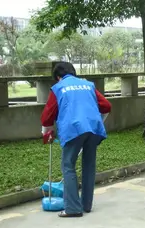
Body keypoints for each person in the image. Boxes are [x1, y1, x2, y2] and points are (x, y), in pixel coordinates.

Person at [41, 62, 111, 217]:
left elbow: (47, 115)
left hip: (73, 129)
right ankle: (86, 205)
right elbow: (106, 106)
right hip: (94, 129)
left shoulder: (59, 87)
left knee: (68, 165)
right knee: (89, 165)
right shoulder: (88, 85)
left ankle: (73, 208)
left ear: (58, 77)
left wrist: (47, 131)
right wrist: (95, 121)